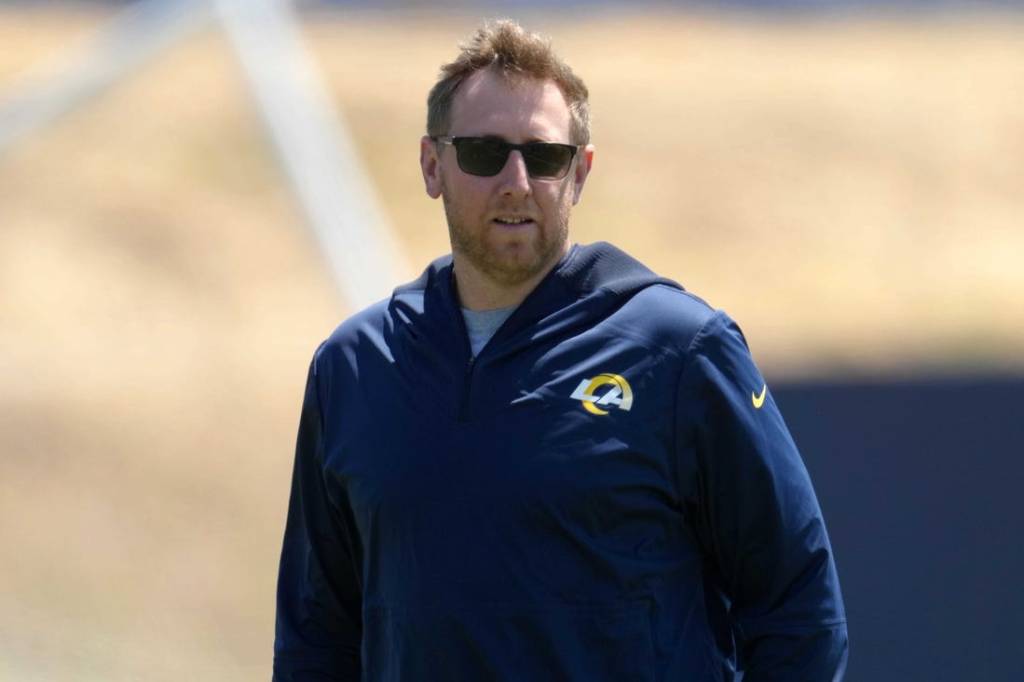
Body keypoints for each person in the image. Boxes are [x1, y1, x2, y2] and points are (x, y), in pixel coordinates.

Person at [273, 19, 847, 682]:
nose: (517, 181)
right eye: (485, 154)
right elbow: (315, 638)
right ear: (433, 165)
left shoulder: (680, 350)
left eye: (543, 157)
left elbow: (799, 610)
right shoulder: (354, 366)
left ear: (579, 173)